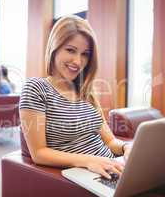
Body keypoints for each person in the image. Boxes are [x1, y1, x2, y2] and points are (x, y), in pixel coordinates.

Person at [19, 15, 132, 180]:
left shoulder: (87, 92)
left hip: (112, 168)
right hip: (87, 175)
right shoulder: (36, 88)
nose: (78, 61)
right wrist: (89, 161)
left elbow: (110, 141)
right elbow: (39, 153)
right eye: (70, 50)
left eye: (85, 54)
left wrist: (126, 147)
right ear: (54, 48)